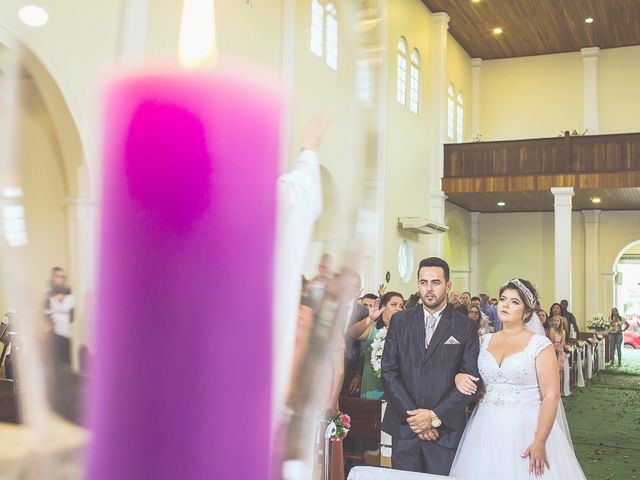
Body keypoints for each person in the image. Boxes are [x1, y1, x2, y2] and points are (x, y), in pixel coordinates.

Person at [450, 279, 586, 479]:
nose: (505, 305)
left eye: (514, 302)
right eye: (503, 299)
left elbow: (551, 395)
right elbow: (469, 373)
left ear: (526, 312)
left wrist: (540, 441)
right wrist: (458, 376)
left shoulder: (540, 345)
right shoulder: (483, 340)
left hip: (527, 427)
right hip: (485, 426)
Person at [381, 257, 480, 475]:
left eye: (435, 282)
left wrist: (434, 417)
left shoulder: (465, 327)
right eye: (424, 282)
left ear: (448, 285)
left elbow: (471, 380)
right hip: (406, 428)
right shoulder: (400, 321)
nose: (429, 289)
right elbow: (389, 372)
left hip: (444, 432)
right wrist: (417, 419)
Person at [348, 291, 404, 400]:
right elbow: (352, 333)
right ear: (383, 307)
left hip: (397, 386)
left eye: (401, 306)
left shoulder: (405, 332)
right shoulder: (373, 329)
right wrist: (370, 319)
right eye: (394, 305)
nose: (398, 309)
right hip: (373, 384)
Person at [548, 315, 566, 383]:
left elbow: (563, 341)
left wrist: (560, 347)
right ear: (552, 322)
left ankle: (560, 382)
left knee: (559, 366)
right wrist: (555, 349)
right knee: (554, 366)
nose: (556, 322)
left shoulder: (563, 331)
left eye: (557, 321)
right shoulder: (552, 330)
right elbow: (552, 341)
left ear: (560, 322)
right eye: (554, 321)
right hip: (553, 347)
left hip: (560, 348)